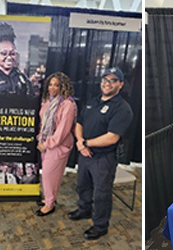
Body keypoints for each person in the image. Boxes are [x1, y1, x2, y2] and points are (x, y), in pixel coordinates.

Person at [67, 67, 133, 240]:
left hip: (103, 158)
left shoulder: (122, 108)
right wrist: (81, 143)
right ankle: (84, 209)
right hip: (84, 153)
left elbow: (112, 137)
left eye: (113, 80)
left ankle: (100, 226)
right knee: (82, 185)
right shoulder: (93, 101)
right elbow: (79, 123)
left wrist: (85, 143)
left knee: (101, 194)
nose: (107, 83)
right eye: (105, 79)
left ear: (121, 84)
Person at [36, 72, 77, 216]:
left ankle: (50, 204)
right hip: (45, 143)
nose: (52, 88)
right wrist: (41, 138)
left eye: (57, 85)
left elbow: (62, 132)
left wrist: (46, 144)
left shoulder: (68, 104)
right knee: (48, 174)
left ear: (63, 87)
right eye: (51, 84)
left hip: (58, 145)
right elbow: (43, 122)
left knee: (50, 174)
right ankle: (49, 198)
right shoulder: (48, 101)